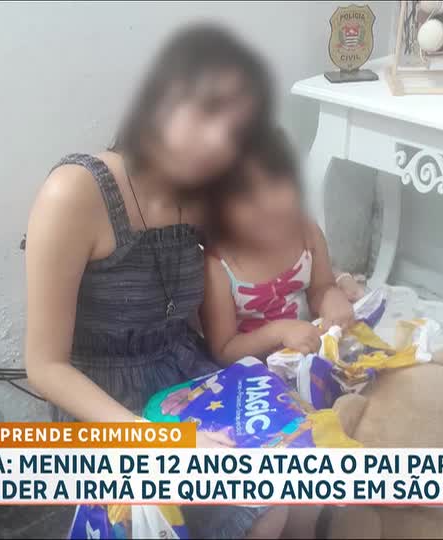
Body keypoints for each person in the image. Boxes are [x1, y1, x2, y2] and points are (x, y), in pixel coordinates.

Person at [23, 24, 286, 538]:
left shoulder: (205, 196)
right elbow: (45, 366)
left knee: (281, 487)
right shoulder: (75, 192)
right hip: (103, 404)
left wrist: (329, 287)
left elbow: (251, 266)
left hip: (187, 379)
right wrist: (153, 441)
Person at [200, 126, 362, 365]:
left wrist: (331, 297)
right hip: (255, 375)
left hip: (310, 358)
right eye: (246, 196)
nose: (267, 204)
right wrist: (279, 332)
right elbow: (224, 351)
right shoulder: (218, 268)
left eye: (276, 184)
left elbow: (321, 288)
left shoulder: (307, 234)